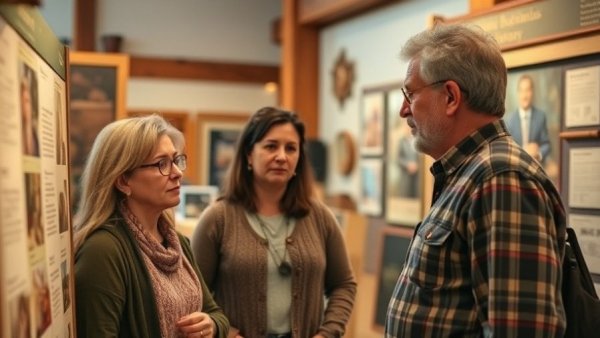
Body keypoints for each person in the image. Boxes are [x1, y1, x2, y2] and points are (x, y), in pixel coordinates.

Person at [385, 24, 566, 337]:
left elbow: (520, 330)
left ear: (451, 97)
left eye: (410, 94)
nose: (403, 110)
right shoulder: (470, 173)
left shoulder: (501, 179)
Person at [191, 106, 356, 338]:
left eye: (291, 148)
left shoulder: (320, 216)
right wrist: (227, 333)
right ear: (249, 154)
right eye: (271, 146)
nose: (281, 156)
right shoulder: (217, 218)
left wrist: (328, 333)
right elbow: (193, 292)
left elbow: (344, 284)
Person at [73, 115, 229, 338]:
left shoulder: (177, 242)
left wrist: (211, 325)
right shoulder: (102, 251)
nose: (177, 173)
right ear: (123, 181)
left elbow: (215, 313)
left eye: (176, 160)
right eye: (161, 164)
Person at [505, 74, 551, 163]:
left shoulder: (541, 117)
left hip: (536, 168)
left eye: (527, 90)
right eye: (521, 90)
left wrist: (538, 153)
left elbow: (547, 144)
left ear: (532, 92)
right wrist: (523, 151)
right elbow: (507, 148)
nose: (524, 95)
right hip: (516, 167)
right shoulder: (509, 120)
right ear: (518, 93)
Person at [20, 67, 39, 157]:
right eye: (25, 100)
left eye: (28, 100)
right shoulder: (19, 135)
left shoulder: (35, 135)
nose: (27, 106)